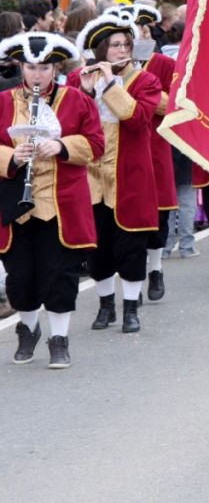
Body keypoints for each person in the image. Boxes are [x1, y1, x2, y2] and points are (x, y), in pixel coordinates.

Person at [0, 32, 103, 368]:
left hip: (61, 203)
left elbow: (96, 144)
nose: (37, 75)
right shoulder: (3, 101)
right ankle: (27, 331)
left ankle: (59, 339)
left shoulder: (77, 100)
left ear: (55, 67)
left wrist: (62, 147)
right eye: (31, 67)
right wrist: (12, 158)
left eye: (45, 67)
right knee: (20, 276)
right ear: (21, 67)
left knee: (59, 273)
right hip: (15, 204)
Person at [67, 14, 162, 333]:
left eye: (126, 44)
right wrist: (84, 90)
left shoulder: (145, 81)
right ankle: (106, 305)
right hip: (91, 177)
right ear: (101, 50)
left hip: (130, 176)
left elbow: (136, 119)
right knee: (98, 249)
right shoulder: (79, 79)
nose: (122, 50)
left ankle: (131, 309)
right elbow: (69, 124)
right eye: (115, 45)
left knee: (131, 245)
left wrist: (109, 85)